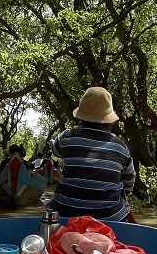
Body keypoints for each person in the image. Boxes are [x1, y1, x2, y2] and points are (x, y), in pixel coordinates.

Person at [52, 87, 136, 222]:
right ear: (108, 119)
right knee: (122, 199)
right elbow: (129, 182)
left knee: (51, 207)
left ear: (81, 117)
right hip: (109, 217)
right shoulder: (121, 146)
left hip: (66, 213)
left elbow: (55, 151)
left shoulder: (67, 137)